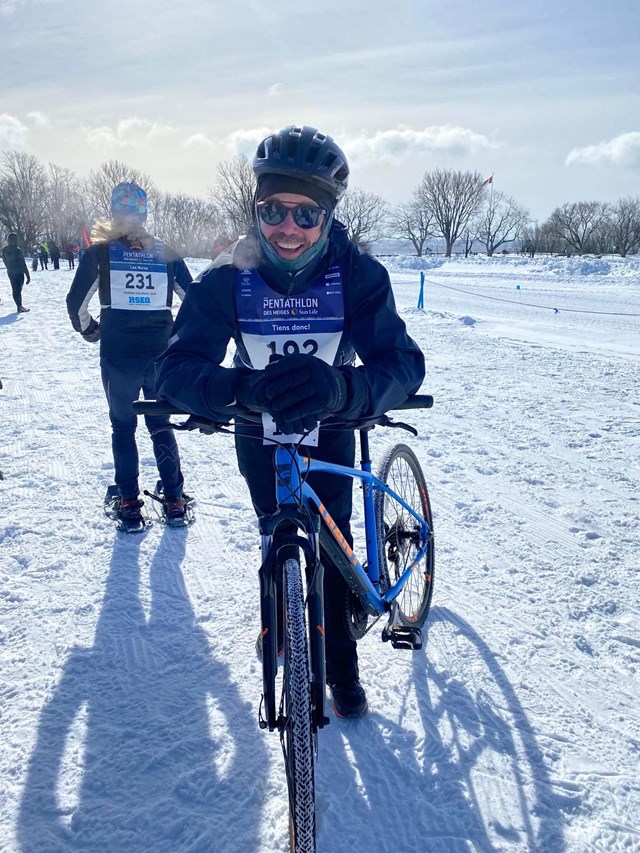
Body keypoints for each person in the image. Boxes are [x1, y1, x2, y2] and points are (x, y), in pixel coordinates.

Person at [155, 125, 425, 718]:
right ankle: (279, 618)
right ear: (256, 209)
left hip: (332, 423)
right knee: (273, 528)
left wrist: (346, 388)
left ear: (327, 219)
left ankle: (342, 663)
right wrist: (236, 390)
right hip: (258, 426)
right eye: (274, 210)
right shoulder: (227, 277)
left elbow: (404, 364)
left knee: (333, 543)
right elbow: (173, 368)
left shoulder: (357, 274)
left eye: (307, 215)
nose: (289, 228)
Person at [66, 181, 194, 525]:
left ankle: (128, 505)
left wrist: (91, 330)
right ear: (144, 213)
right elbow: (195, 303)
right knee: (160, 425)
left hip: (118, 357)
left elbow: (75, 304)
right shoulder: (165, 252)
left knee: (122, 428)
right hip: (159, 357)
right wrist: (177, 338)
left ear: (113, 212)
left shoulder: (100, 253)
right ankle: (175, 500)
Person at [2, 233, 31, 313]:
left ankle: (19, 305)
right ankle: (19, 306)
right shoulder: (18, 250)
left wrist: (9, 268)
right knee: (18, 290)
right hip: (19, 272)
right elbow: (23, 263)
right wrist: (27, 275)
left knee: (15, 289)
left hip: (11, 272)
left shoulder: (4, 250)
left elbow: (4, 261)